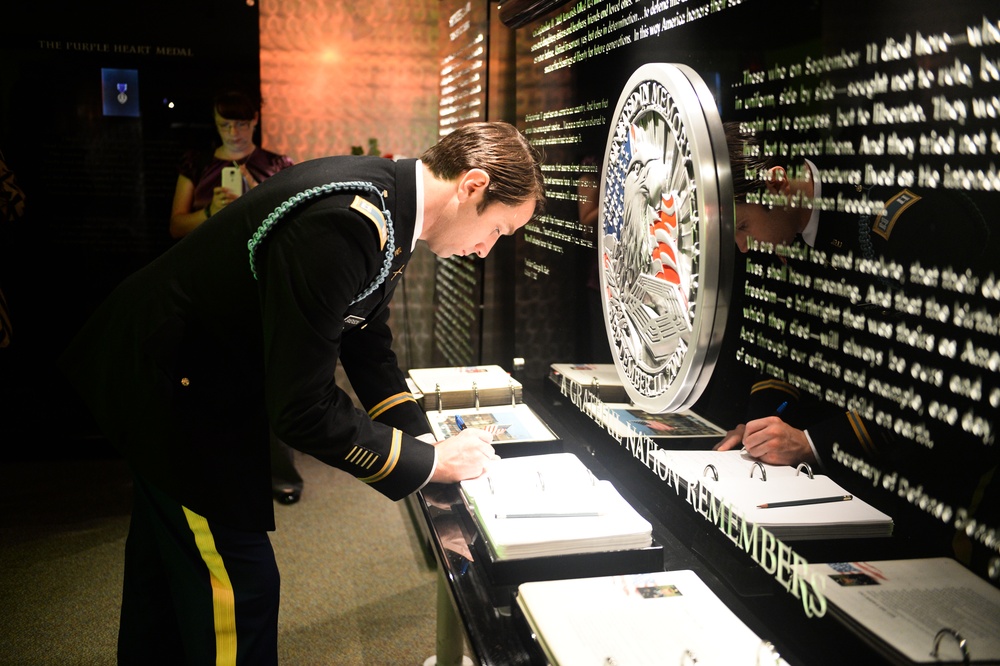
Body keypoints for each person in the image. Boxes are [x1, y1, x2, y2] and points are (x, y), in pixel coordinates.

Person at [57, 121, 546, 664]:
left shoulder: (388, 205)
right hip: (176, 391)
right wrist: (426, 462)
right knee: (238, 591)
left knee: (168, 577)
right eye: (498, 229)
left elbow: (364, 333)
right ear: (472, 186)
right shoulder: (347, 221)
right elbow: (303, 408)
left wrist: (420, 434)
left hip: (188, 374)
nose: (485, 250)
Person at [169, 90, 304, 504]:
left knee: (270, 377)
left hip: (262, 284)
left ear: (255, 122)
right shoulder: (197, 163)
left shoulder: (276, 165)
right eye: (225, 124)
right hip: (209, 283)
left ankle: (280, 470)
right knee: (211, 377)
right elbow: (175, 225)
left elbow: (294, 224)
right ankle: (219, 471)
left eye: (241, 124)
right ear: (214, 121)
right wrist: (213, 212)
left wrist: (254, 197)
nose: (233, 132)